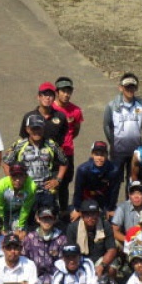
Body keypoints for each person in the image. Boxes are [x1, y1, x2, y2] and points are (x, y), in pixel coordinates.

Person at [4, 114, 68, 220]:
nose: (37, 132)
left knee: (47, 222)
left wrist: (58, 179)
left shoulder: (51, 144)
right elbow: (6, 163)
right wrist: (13, 181)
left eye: (39, 128)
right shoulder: (19, 145)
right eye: (34, 128)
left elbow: (64, 162)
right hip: (25, 191)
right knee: (24, 222)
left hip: (46, 193)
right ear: (27, 129)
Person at [103, 72, 142, 198]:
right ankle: (111, 209)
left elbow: (141, 123)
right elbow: (106, 126)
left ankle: (131, 208)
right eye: (127, 86)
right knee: (114, 181)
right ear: (120, 87)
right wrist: (113, 141)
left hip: (136, 151)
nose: (130, 89)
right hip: (118, 151)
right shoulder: (112, 106)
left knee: (133, 181)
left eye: (132, 87)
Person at [66, 199, 118, 284]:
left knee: (112, 267)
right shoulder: (72, 228)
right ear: (81, 215)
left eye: (94, 214)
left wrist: (102, 265)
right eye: (87, 214)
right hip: (80, 260)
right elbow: (70, 252)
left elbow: (112, 249)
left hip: (100, 259)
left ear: (98, 214)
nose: (91, 218)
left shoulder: (105, 225)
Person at [22, 206, 67, 284]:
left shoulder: (62, 239)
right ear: (38, 219)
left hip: (55, 282)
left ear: (55, 219)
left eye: (49, 218)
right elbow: (23, 261)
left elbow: (65, 263)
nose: (46, 221)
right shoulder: (30, 238)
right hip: (35, 283)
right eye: (43, 218)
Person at [54, 77, 84, 210]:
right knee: (52, 183)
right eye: (63, 91)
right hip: (52, 153)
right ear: (57, 92)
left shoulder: (76, 111)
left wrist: (68, 140)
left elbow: (76, 130)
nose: (66, 95)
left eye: (69, 92)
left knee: (65, 183)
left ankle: (64, 211)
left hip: (67, 152)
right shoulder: (51, 109)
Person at [71, 141, 121, 221]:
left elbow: (114, 191)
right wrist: (77, 209)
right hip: (86, 196)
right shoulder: (82, 170)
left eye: (102, 154)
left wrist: (110, 208)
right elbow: (78, 191)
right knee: (76, 218)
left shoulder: (114, 170)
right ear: (92, 155)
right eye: (96, 154)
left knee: (114, 219)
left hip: (103, 197)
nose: (99, 158)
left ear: (107, 155)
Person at [18, 81, 69, 146]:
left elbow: (63, 135)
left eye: (50, 95)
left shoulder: (61, 116)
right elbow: (24, 137)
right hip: (32, 154)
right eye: (45, 94)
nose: (47, 98)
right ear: (38, 97)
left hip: (54, 153)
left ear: (54, 98)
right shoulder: (29, 116)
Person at [0, 162, 37, 234]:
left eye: (21, 176)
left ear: (26, 176)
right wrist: (2, 228)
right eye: (14, 176)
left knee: (20, 233)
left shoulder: (32, 187)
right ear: (10, 176)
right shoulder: (0, 186)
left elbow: (25, 209)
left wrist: (20, 227)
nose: (17, 180)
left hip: (17, 210)